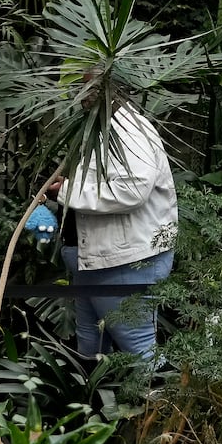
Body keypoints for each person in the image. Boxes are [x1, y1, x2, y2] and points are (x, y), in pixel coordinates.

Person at [48, 89, 178, 368]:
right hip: (97, 260)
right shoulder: (99, 124)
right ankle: (96, 407)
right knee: (90, 341)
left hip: (125, 261)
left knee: (138, 348)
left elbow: (133, 191)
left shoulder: (128, 128)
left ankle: (159, 407)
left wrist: (68, 191)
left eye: (88, 85)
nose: (80, 93)